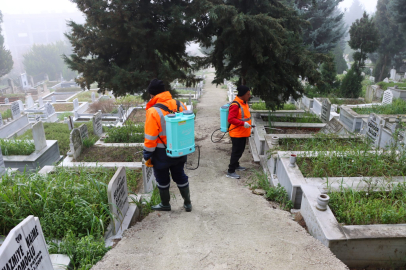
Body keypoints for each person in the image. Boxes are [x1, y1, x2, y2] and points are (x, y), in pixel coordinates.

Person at [143, 79, 192, 212]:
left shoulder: (153, 111)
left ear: (152, 95)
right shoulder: (179, 104)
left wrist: (147, 154)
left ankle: (165, 204)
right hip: (179, 148)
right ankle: (187, 203)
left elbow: (150, 137)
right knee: (180, 174)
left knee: (162, 179)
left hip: (161, 153)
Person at [226, 85, 252, 179]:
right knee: (236, 152)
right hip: (237, 133)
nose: (249, 96)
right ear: (243, 94)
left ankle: (236, 165)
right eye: (248, 94)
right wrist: (242, 123)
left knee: (240, 150)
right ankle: (230, 171)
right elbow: (231, 119)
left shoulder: (244, 103)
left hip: (242, 132)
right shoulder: (235, 105)